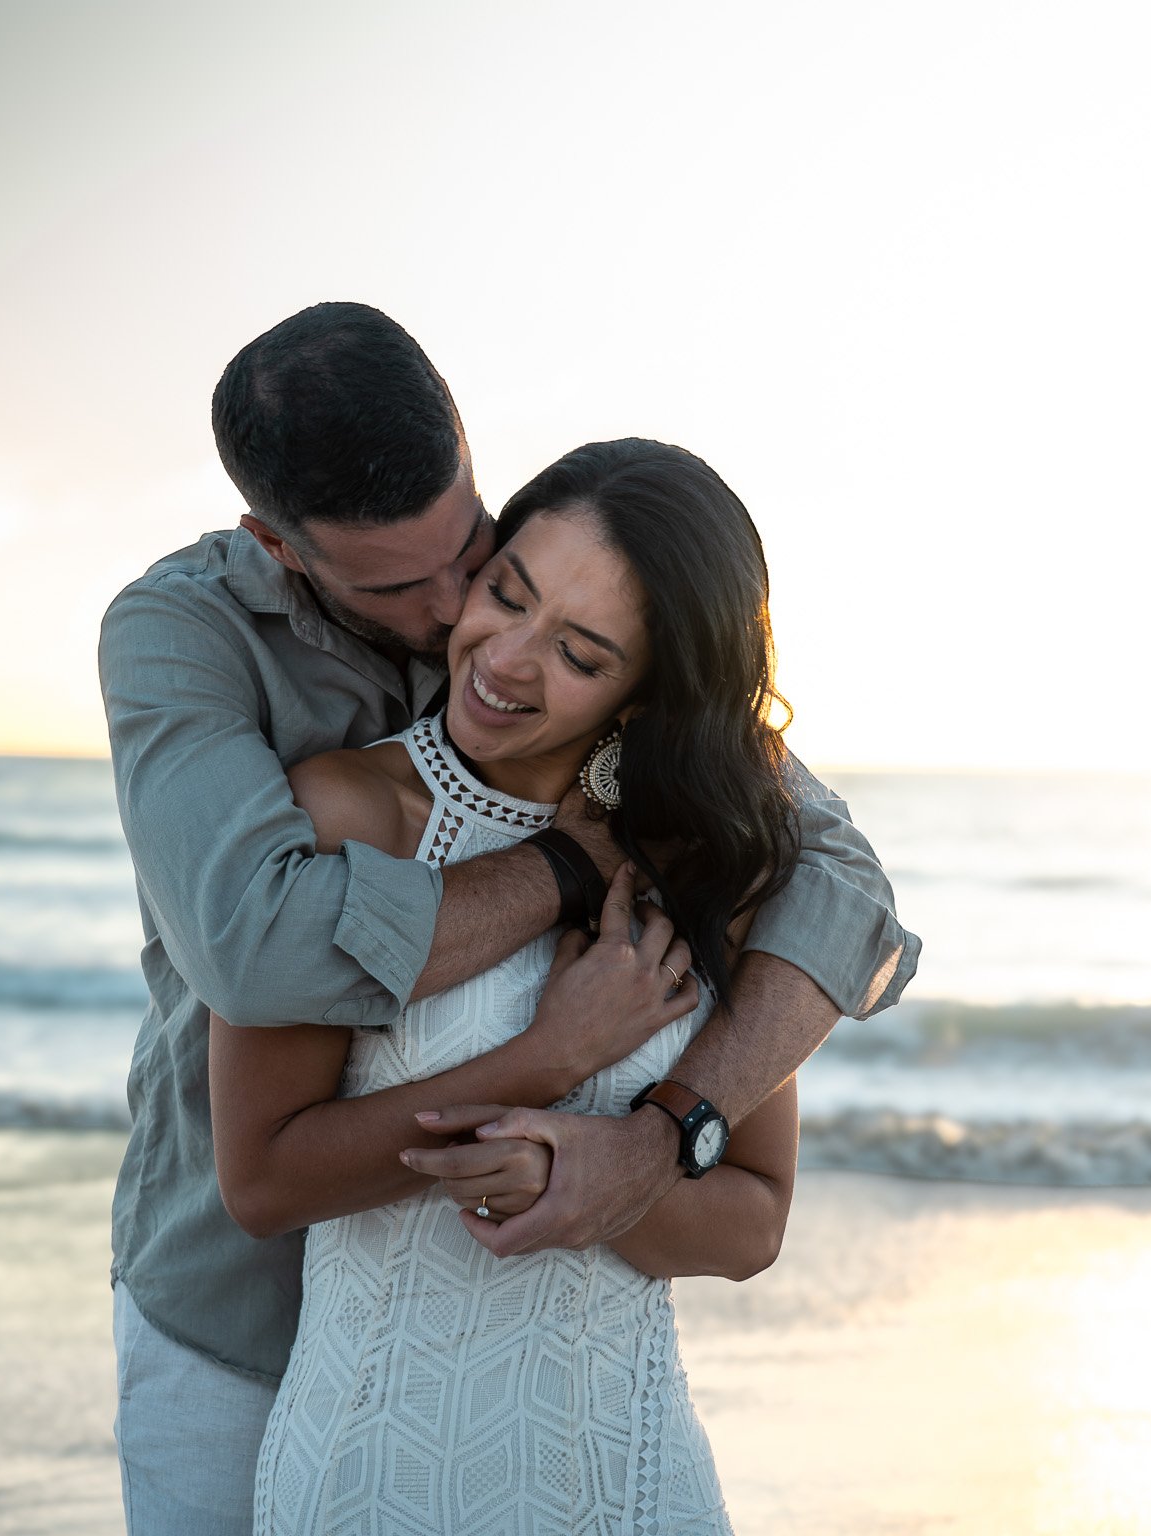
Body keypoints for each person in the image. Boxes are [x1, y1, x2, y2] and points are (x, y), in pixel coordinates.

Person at [99, 303, 918, 1534]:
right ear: (277, 544)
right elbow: (262, 957)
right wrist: (567, 890)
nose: (455, 618)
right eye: (397, 583)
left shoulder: (596, 673)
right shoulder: (184, 642)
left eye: (472, 552)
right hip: (234, 1312)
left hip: (597, 1439)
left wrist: (646, 1149)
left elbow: (838, 886)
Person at [211, 438, 800, 1533]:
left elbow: (754, 1216)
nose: (505, 658)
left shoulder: (699, 857)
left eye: (578, 652)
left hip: (630, 1480)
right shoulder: (346, 815)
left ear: (646, 692)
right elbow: (263, 1181)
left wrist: (603, 1181)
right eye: (506, 593)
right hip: (377, 1475)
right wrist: (545, 1061)